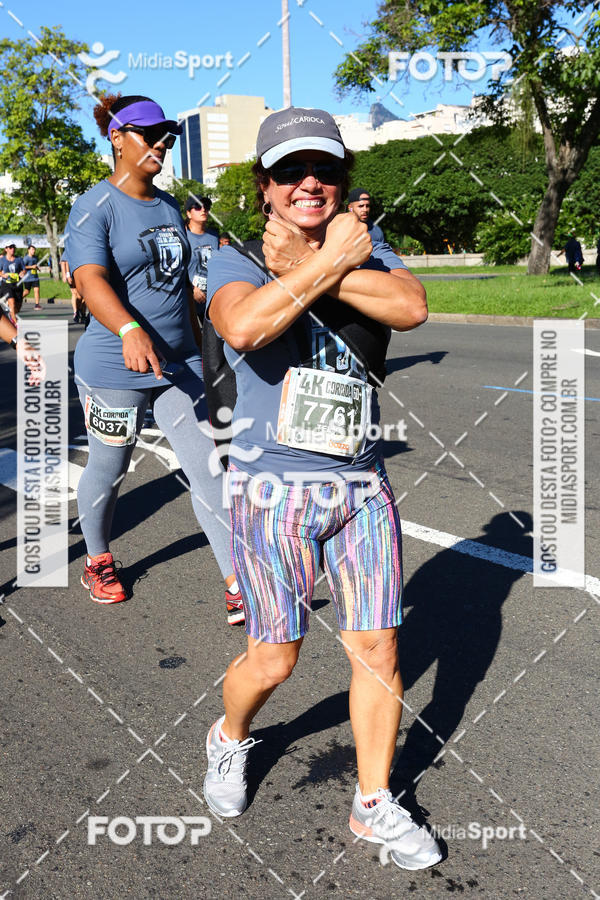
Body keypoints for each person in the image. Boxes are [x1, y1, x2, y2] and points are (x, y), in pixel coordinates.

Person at [202, 107, 442, 871]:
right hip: (272, 492)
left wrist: (324, 264)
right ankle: (229, 738)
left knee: (377, 648)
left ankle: (374, 803)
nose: (311, 183)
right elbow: (245, 329)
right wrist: (328, 266)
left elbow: (410, 307)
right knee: (275, 658)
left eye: (327, 171)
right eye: (290, 172)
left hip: (361, 486)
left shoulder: (373, 248)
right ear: (265, 187)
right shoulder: (236, 257)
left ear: (343, 181)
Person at [64, 92, 242, 619]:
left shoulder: (168, 206)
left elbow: (177, 282)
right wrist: (127, 328)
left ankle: (237, 581)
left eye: (167, 135)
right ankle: (97, 559)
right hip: (114, 364)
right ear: (117, 138)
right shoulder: (92, 205)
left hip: (179, 366)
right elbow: (89, 277)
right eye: (149, 133)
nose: (161, 144)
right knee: (111, 467)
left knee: (209, 468)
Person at [185, 195, 219, 312]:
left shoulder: (214, 236)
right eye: (198, 207)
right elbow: (177, 269)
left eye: (207, 207)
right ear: (188, 214)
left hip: (212, 299)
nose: (203, 209)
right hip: (189, 302)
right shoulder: (183, 236)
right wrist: (192, 289)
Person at [60, 251, 88, 324]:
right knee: (75, 293)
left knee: (84, 295)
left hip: (82, 273)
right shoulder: (70, 246)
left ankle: (82, 313)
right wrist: (66, 275)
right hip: (72, 275)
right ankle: (76, 312)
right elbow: (64, 262)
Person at [0, 244, 25, 324]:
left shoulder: (19, 259)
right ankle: (15, 324)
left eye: (13, 247)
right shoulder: (2, 260)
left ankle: (12, 315)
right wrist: (3, 275)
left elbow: (24, 269)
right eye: (10, 247)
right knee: (12, 303)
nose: (12, 249)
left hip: (18, 285)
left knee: (17, 307)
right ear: (6, 249)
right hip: (6, 284)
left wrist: (22, 273)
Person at [22, 244, 42, 309]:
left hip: (35, 277)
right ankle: (18, 299)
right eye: (32, 249)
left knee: (37, 290)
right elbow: (23, 267)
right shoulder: (26, 258)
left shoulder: (35, 258)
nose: (34, 251)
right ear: (28, 250)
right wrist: (31, 267)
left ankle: (37, 304)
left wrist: (37, 268)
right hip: (27, 278)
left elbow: (35, 265)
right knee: (27, 291)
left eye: (34, 250)